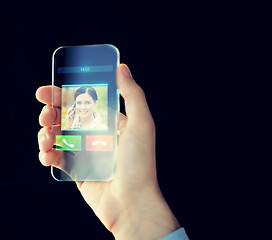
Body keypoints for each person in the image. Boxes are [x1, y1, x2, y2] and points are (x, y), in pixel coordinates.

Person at [36, 64, 189, 240]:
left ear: (95, 103)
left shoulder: (106, 127)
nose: (83, 106)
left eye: (87, 102)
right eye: (79, 102)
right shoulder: (69, 125)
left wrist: (136, 208)